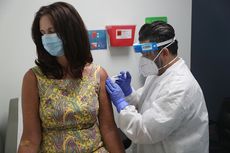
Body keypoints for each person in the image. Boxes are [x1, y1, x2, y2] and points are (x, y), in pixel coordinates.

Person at [18, 2, 125, 153]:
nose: (46, 38)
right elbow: (29, 140)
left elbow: (109, 130)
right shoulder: (34, 78)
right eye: (43, 33)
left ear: (71, 31)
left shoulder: (98, 74)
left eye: (51, 31)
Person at [106, 21, 209, 153]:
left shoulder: (179, 87)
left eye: (147, 54)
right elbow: (146, 104)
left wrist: (122, 104)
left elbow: (144, 130)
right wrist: (128, 93)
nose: (143, 58)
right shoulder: (159, 71)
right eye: (142, 53)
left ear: (165, 53)